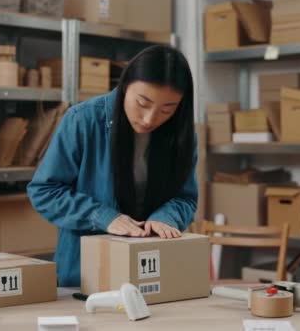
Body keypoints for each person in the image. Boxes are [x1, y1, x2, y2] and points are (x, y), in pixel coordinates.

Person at [27, 45, 198, 287]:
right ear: (125, 85)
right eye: (143, 102)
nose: (150, 119)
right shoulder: (82, 120)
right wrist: (102, 216)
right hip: (86, 274)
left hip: (153, 272)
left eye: (166, 110)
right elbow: (44, 190)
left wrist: (166, 218)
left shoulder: (181, 135)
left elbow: (185, 197)